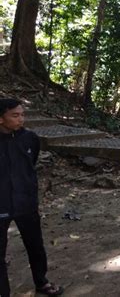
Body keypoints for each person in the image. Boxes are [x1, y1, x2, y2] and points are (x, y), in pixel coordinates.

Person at [0, 99, 63, 297]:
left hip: (26, 203)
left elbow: (31, 162)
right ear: (1, 119)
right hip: (1, 204)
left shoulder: (29, 138)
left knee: (35, 245)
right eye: (15, 115)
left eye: (22, 115)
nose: (21, 119)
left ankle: (41, 282)